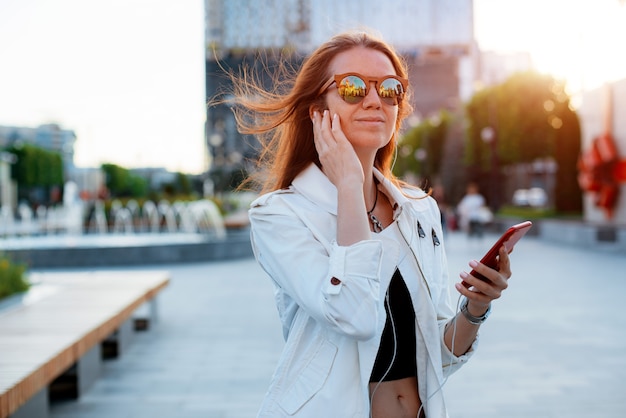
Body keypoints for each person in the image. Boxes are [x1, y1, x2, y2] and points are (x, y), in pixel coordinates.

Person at [225, 31, 512, 418]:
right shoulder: (279, 215)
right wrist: (347, 184)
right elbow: (355, 316)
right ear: (317, 111)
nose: (375, 100)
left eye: (391, 88)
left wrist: (475, 308)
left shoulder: (419, 210)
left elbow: (438, 357)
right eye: (353, 88)